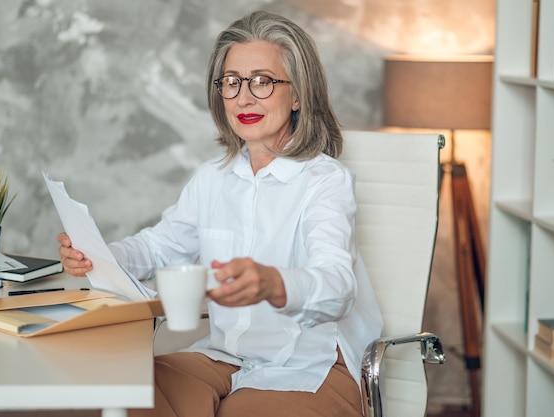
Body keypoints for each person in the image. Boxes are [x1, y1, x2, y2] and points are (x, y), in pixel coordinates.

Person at [57, 10, 383, 417]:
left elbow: (337, 286)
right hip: (225, 356)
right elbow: (161, 246)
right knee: (123, 390)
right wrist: (100, 254)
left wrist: (274, 283)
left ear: (298, 94)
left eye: (263, 81)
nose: (244, 97)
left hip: (309, 365)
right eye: (232, 82)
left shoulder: (325, 181)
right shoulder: (213, 178)